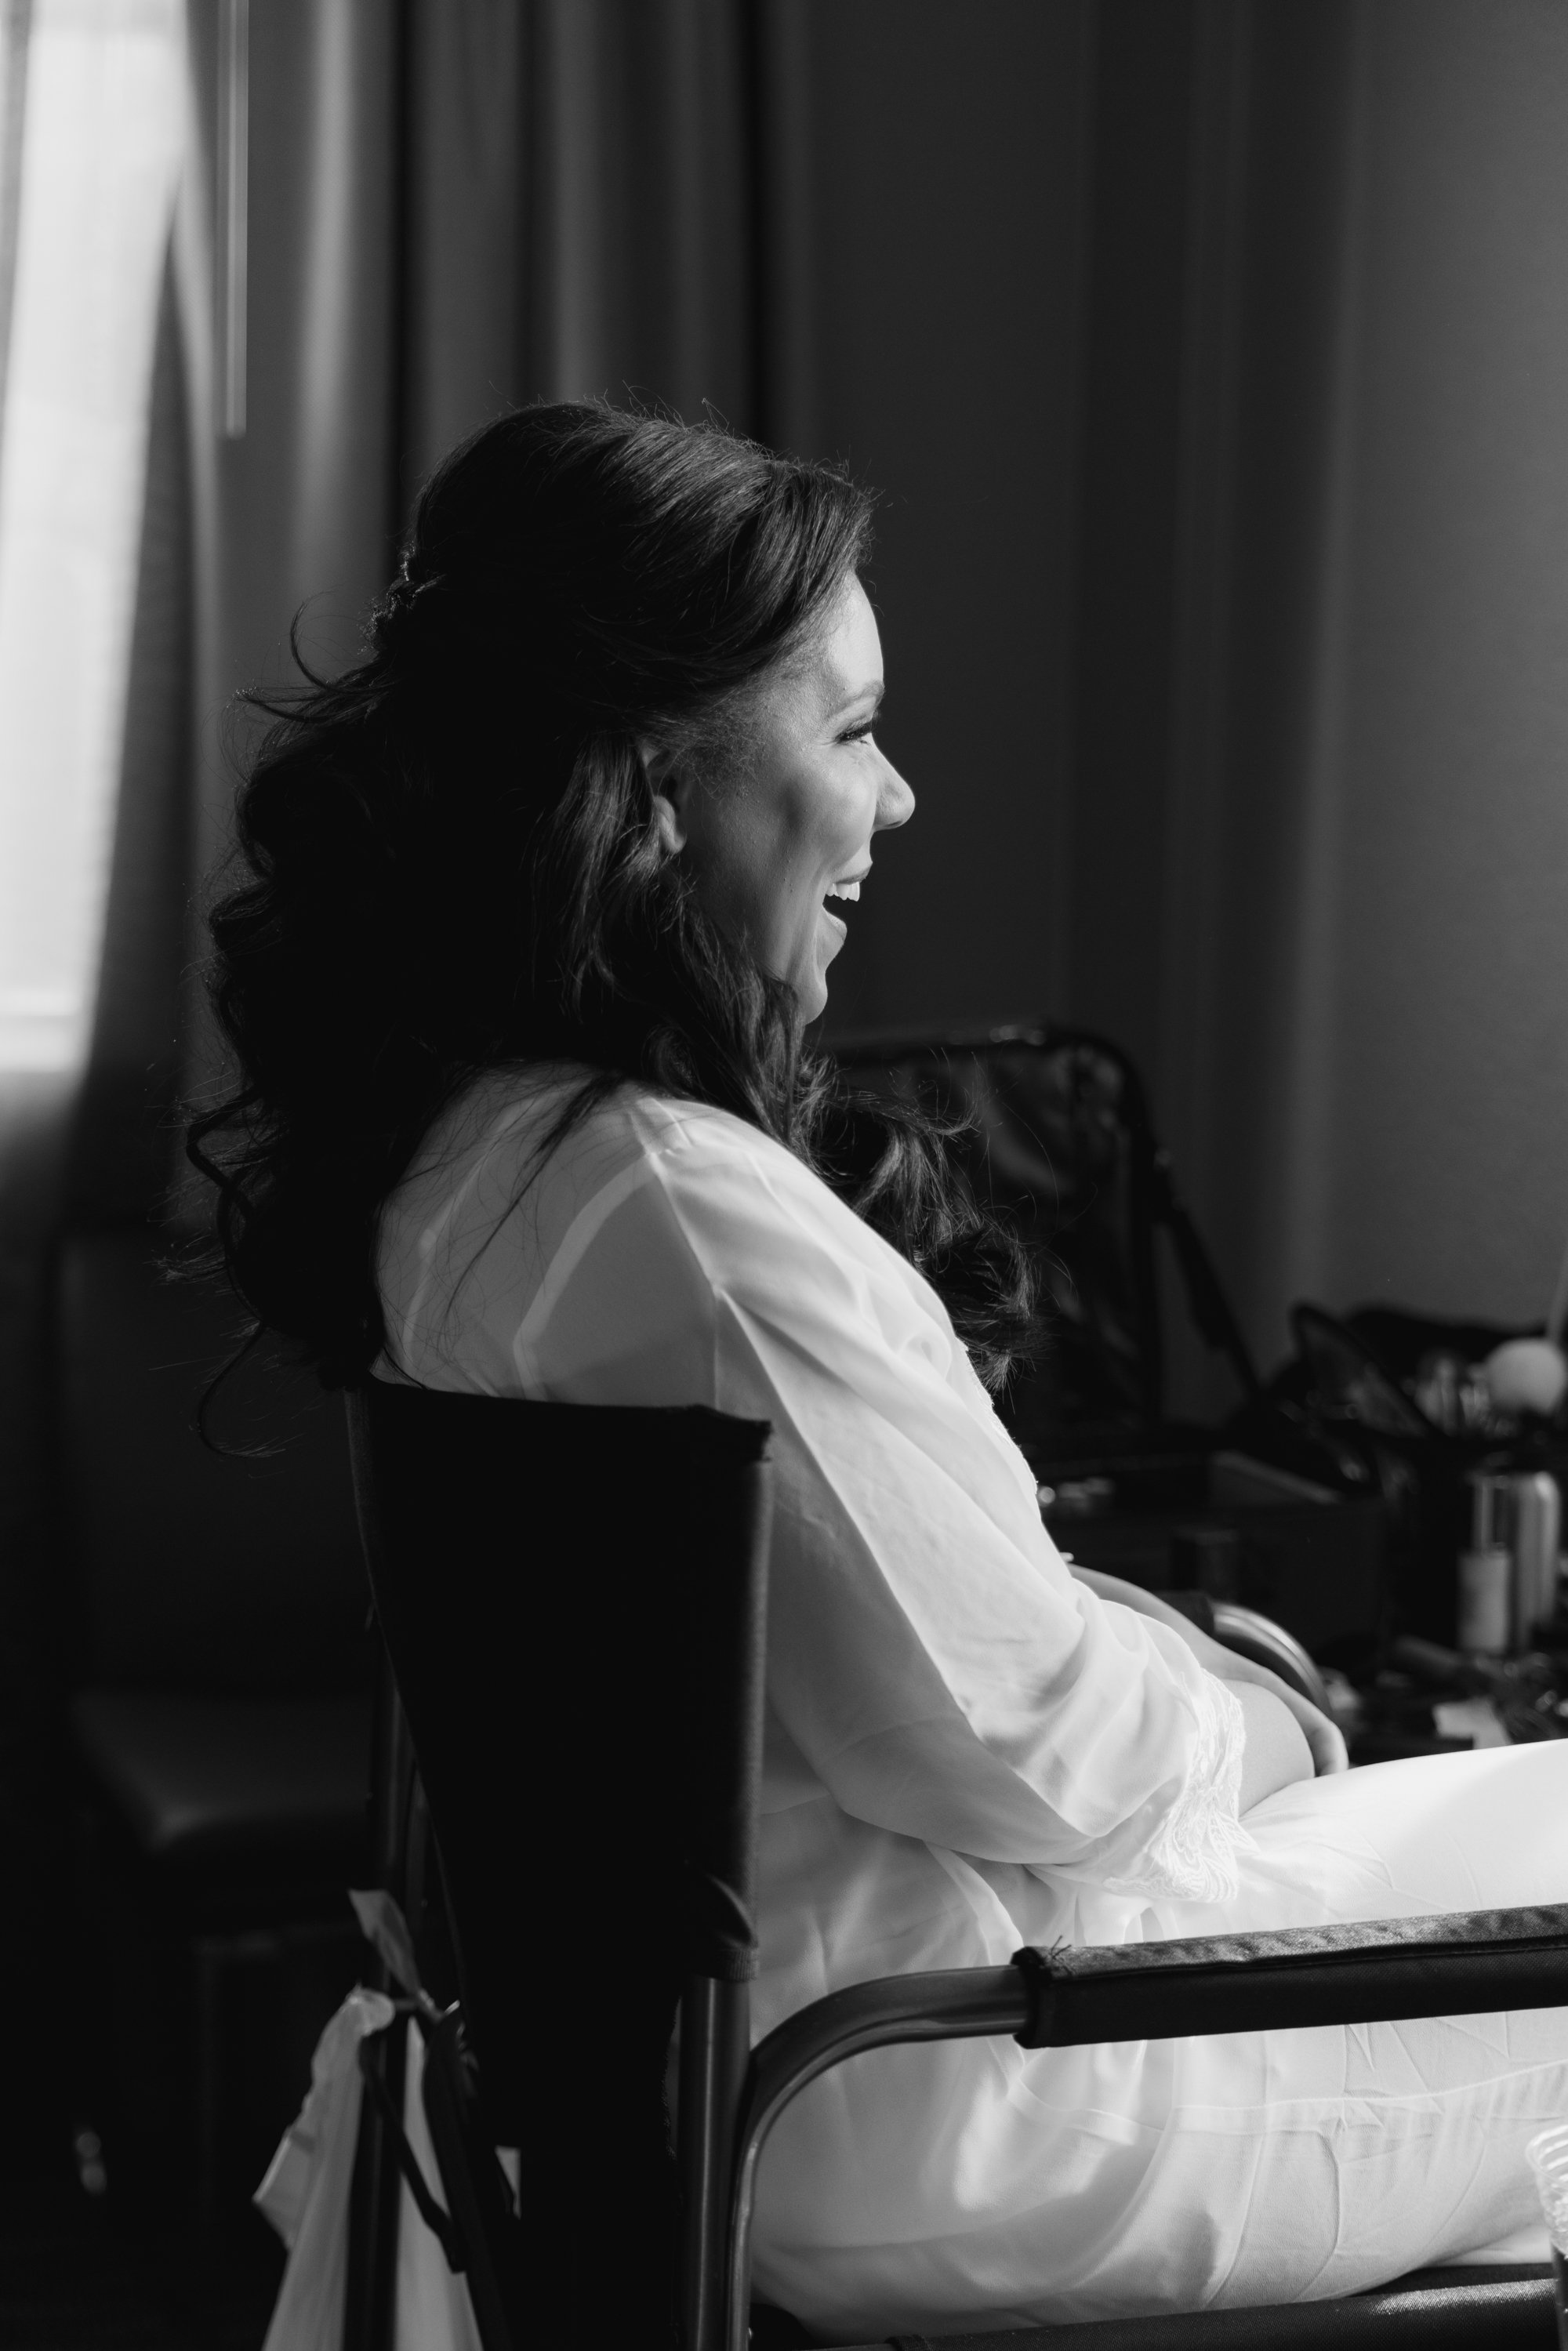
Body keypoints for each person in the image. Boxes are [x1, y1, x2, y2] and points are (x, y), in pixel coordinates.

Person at [187, 402, 1568, 2341]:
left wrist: (1160, 1656)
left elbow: (862, 1650)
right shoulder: (679, 1214)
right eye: (847, 731)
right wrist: (1243, 1703)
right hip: (971, 2108)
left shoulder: (476, 1168)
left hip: (814, 2066)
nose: (899, 797)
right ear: (656, 783)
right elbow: (1028, 1757)